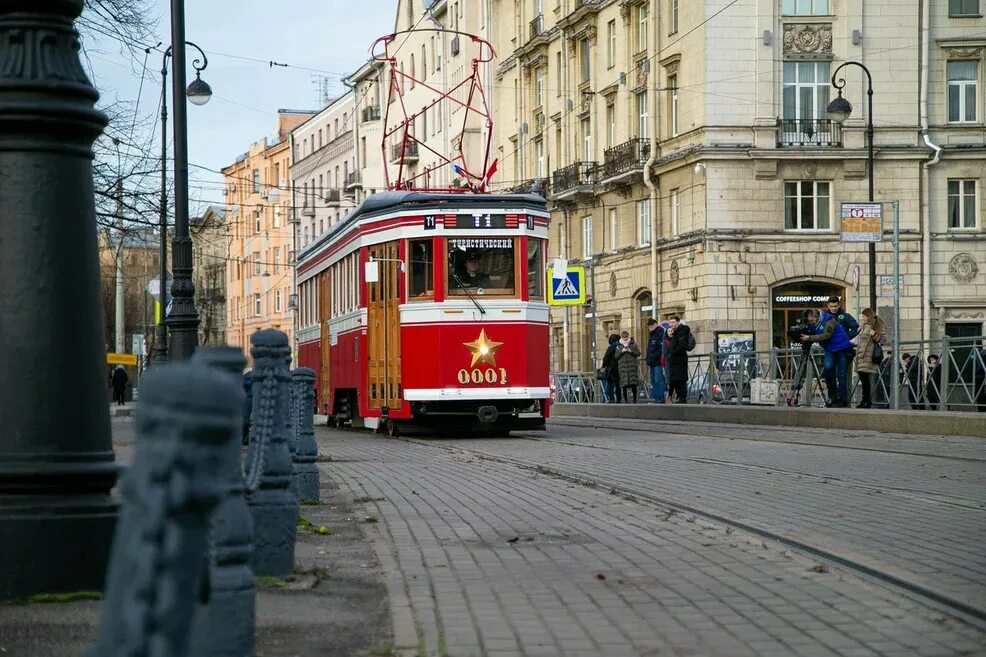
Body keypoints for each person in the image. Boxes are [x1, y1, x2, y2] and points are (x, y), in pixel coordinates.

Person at [800, 307, 853, 407]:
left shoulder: (829, 320)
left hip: (841, 348)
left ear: (815, 316)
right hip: (830, 349)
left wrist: (809, 338)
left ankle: (842, 399)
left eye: (811, 321)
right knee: (828, 371)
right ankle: (833, 397)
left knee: (841, 374)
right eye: (808, 321)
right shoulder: (813, 324)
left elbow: (827, 334)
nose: (811, 323)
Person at [853, 308, 886, 408]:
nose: (862, 319)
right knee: (864, 379)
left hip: (868, 356)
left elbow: (883, 339)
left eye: (864, 317)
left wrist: (874, 335)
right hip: (861, 356)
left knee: (865, 380)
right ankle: (865, 400)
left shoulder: (877, 324)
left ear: (868, 316)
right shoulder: (865, 326)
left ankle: (866, 401)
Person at [666, 316, 691, 403]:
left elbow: (682, 345)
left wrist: (673, 351)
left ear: (678, 322)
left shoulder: (681, 331)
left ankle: (682, 397)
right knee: (675, 379)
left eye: (673, 322)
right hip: (675, 360)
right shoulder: (676, 332)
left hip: (680, 359)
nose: (671, 324)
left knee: (681, 379)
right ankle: (679, 396)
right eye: (670, 322)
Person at [645, 318, 666, 403]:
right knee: (654, 381)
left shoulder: (659, 334)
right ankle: (657, 398)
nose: (650, 326)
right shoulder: (652, 334)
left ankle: (660, 399)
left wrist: (652, 356)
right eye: (649, 325)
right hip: (653, 362)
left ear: (656, 324)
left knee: (658, 380)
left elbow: (660, 349)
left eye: (652, 325)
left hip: (658, 362)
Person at [615, 331, 641, 403]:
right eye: (624, 337)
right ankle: (626, 401)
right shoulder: (618, 346)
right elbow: (616, 356)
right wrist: (622, 351)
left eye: (626, 337)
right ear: (621, 337)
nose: (625, 338)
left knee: (633, 385)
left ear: (628, 336)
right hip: (623, 368)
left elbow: (638, 354)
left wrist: (630, 351)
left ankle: (634, 400)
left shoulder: (633, 344)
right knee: (624, 385)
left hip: (632, 367)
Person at [601, 334, 622, 403]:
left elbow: (606, 358)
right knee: (618, 385)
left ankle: (611, 399)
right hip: (619, 368)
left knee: (610, 385)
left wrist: (603, 366)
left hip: (611, 369)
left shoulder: (611, 347)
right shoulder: (620, 347)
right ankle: (619, 399)